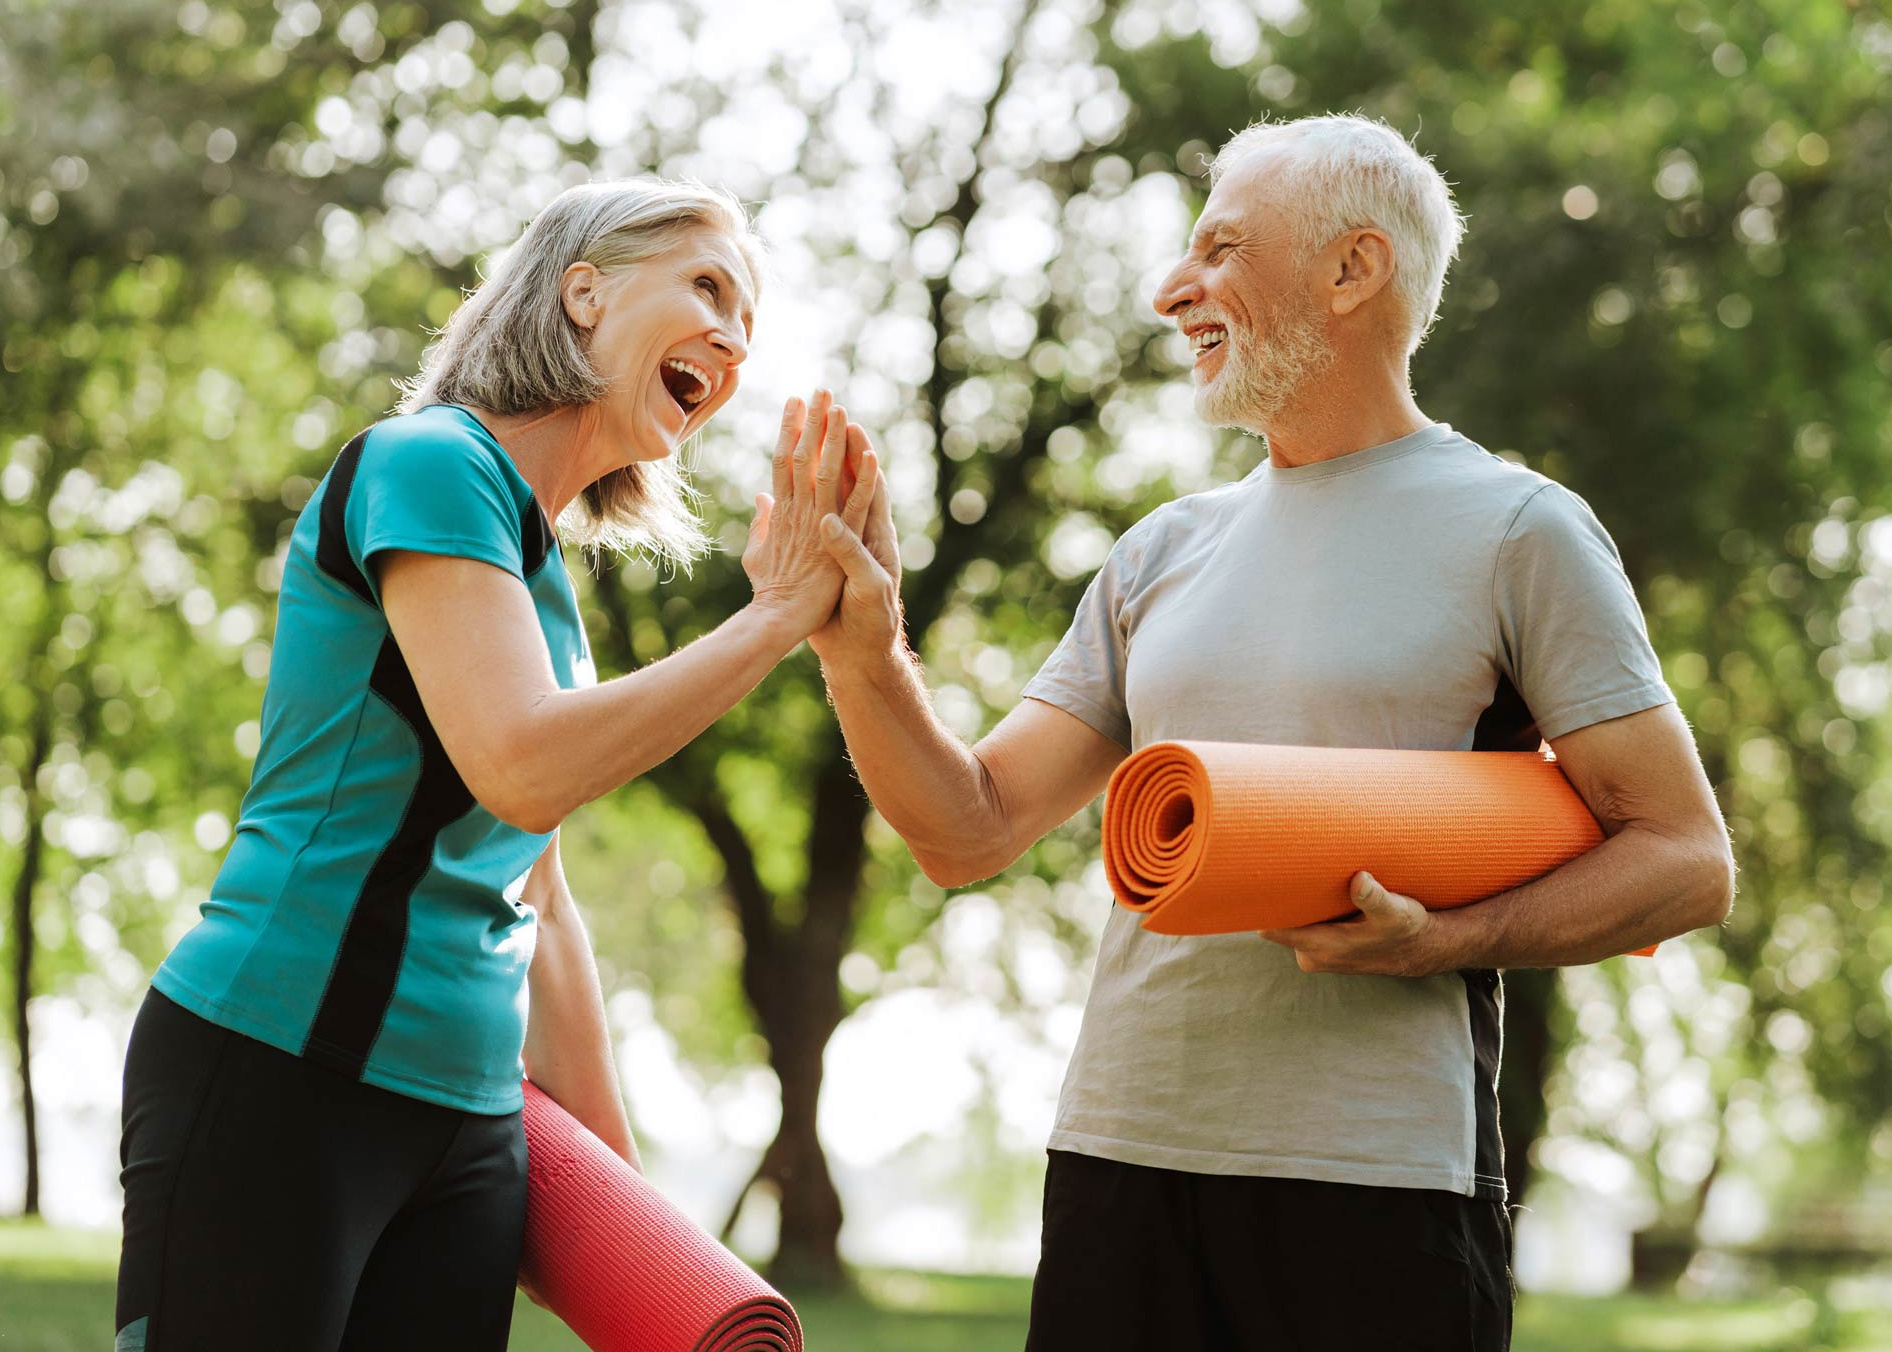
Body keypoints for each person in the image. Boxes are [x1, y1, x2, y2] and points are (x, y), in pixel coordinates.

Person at [810, 114, 1736, 1350]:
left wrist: (1448, 938)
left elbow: (1684, 856)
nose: (1168, 289)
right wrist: (860, 648)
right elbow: (965, 830)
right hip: (1118, 1155)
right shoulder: (1158, 551)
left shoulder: (1520, 531)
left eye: (1219, 247)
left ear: (1353, 270)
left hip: (1377, 1182)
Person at [114, 177, 879, 1351]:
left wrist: (641, 1228)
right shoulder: (428, 464)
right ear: (583, 292)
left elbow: (545, 903)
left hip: (469, 1120)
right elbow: (520, 763)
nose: (732, 339)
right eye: (708, 286)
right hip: (278, 1068)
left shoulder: (547, 585)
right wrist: (774, 619)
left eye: (748, 323)